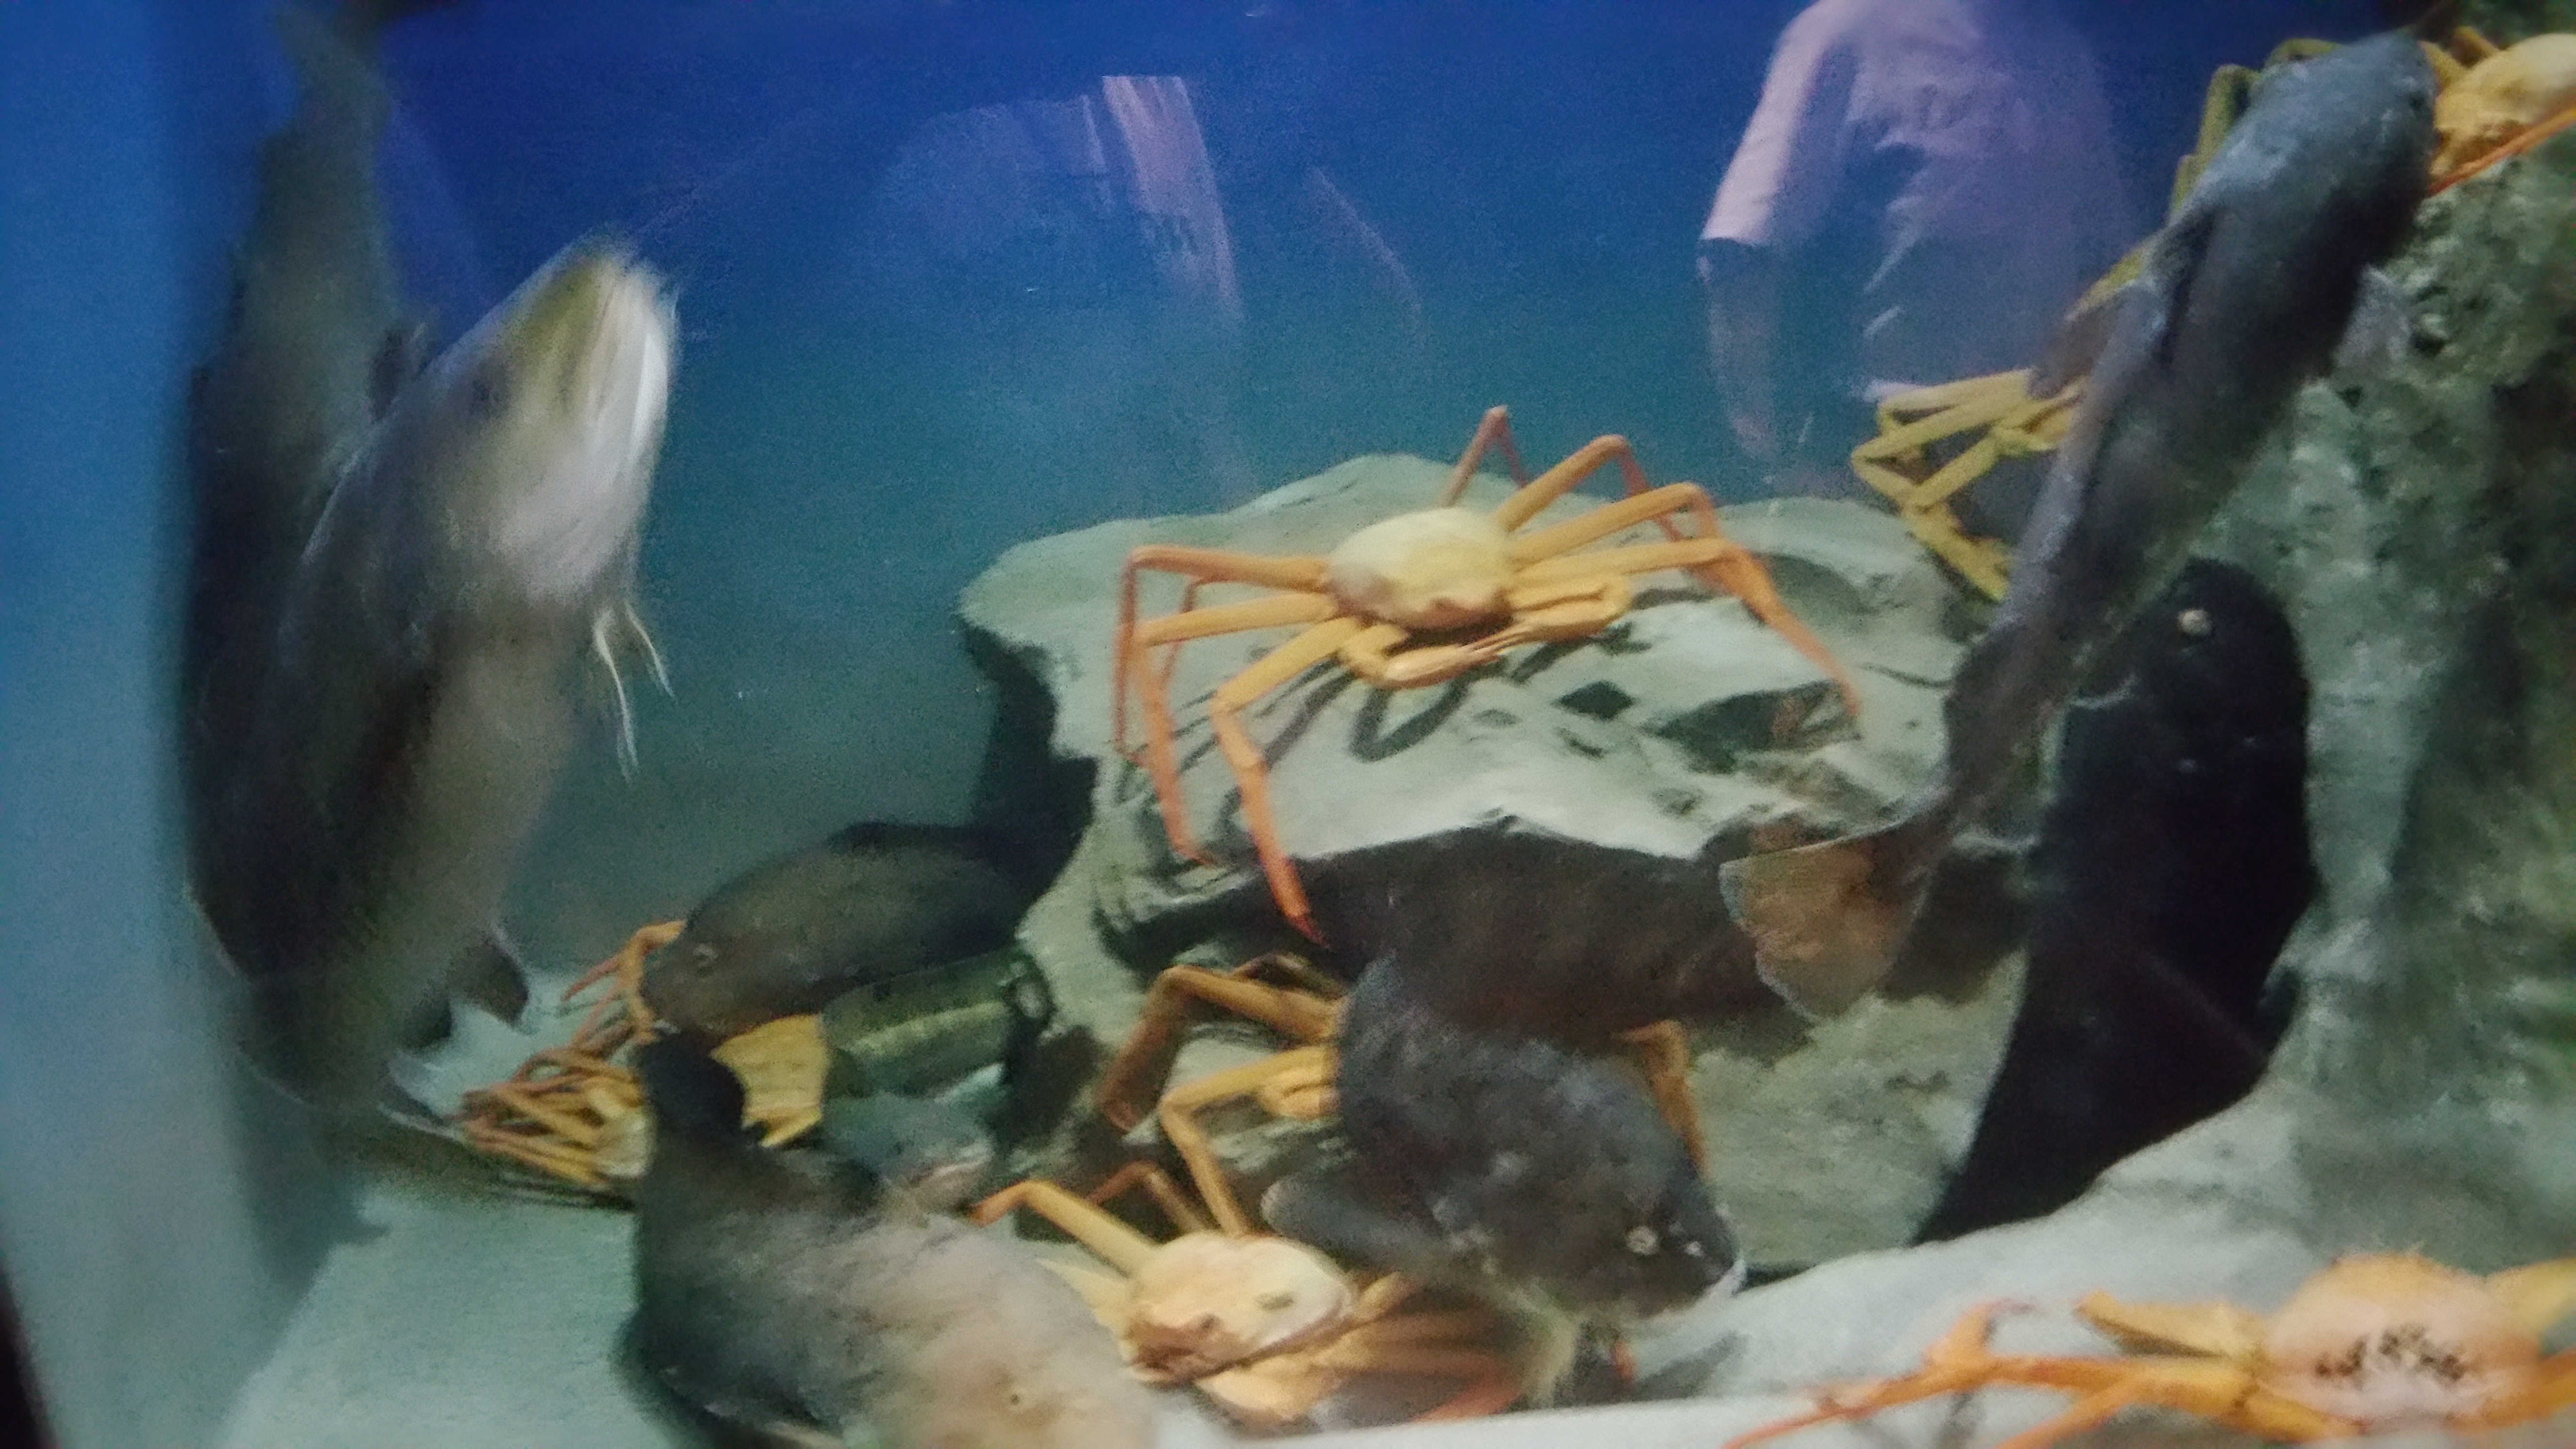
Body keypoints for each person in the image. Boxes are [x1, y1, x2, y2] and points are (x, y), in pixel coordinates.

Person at [1699, 0, 2137, 503]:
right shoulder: (1851, 29)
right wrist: (1773, 459)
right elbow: (1742, 255)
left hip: (2035, 448)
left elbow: (2105, 271)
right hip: (1873, 452)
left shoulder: (2062, 55)